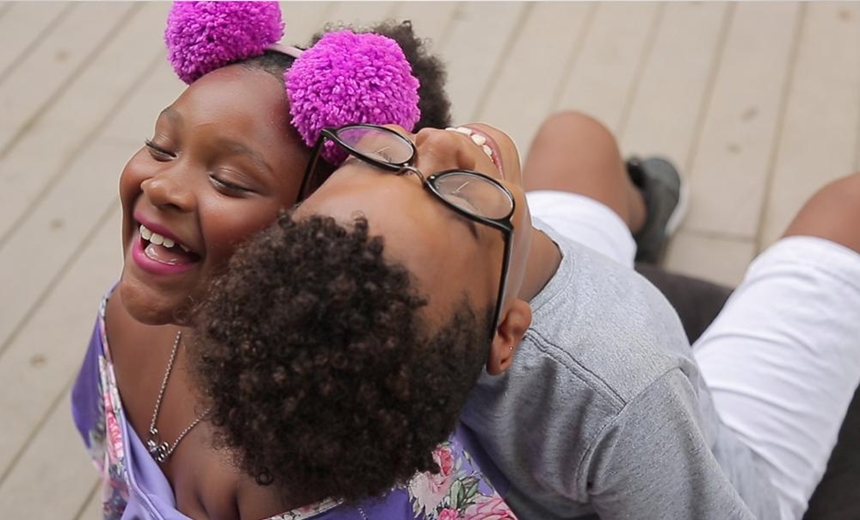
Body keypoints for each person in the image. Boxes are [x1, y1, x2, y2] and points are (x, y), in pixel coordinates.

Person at [194, 112, 860, 520]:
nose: (438, 144)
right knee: (846, 206)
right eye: (451, 194)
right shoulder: (624, 387)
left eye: (385, 156)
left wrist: (479, 210)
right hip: (699, 444)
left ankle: (639, 214)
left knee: (576, 135)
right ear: (510, 332)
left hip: (526, 260)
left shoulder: (424, 320)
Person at [69, 3, 519, 519]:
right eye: (161, 146)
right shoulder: (117, 318)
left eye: (228, 182)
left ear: (314, 236)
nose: (161, 184)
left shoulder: (315, 457)